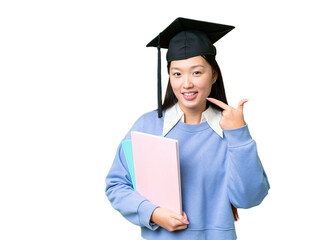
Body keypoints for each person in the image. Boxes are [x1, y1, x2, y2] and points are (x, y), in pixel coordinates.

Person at [105, 17, 270, 240]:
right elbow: (116, 185)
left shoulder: (229, 129)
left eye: (196, 72)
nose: (186, 84)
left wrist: (239, 135)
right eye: (177, 73)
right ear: (170, 77)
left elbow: (249, 198)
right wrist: (153, 213)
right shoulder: (148, 126)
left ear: (213, 75)